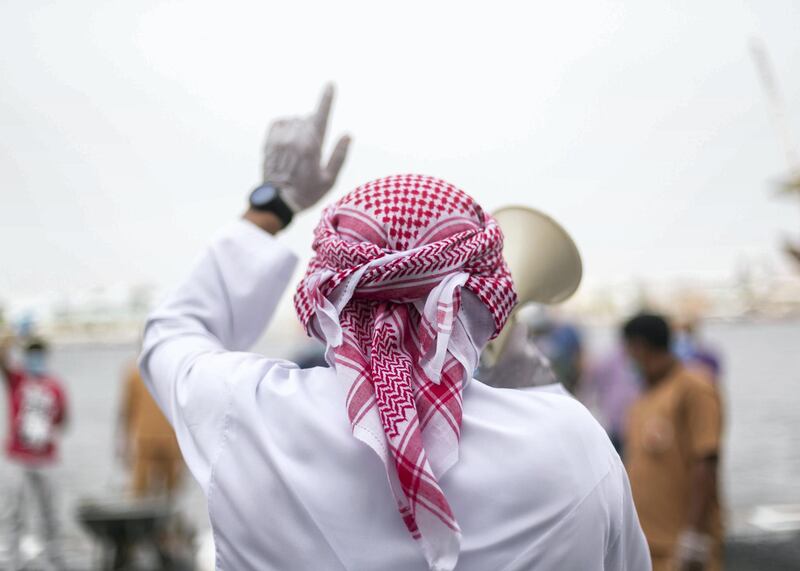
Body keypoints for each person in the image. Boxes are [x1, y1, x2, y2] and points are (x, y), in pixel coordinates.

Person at [139, 84, 650, 571]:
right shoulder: (574, 444)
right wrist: (535, 388)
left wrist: (272, 203)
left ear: (324, 297)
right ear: (484, 302)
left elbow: (171, 331)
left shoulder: (246, 413)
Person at [622, 314, 724, 571]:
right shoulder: (643, 398)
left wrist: (693, 538)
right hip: (647, 547)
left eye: (629, 351)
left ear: (639, 347)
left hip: (680, 548)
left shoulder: (694, 388)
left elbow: (706, 460)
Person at [1, 335, 68, 570]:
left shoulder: (55, 386)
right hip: (17, 457)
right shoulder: (17, 380)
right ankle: (10, 560)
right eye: (31, 354)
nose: (35, 359)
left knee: (50, 511)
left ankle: (54, 558)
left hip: (46, 459)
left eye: (39, 354)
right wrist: (11, 337)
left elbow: (63, 420)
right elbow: (2, 358)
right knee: (12, 510)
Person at [118, 362, 183, 497]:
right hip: (170, 438)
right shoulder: (172, 373)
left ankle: (140, 512)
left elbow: (126, 410)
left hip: (144, 438)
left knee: (139, 491)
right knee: (171, 490)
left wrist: (123, 443)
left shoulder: (134, 373)